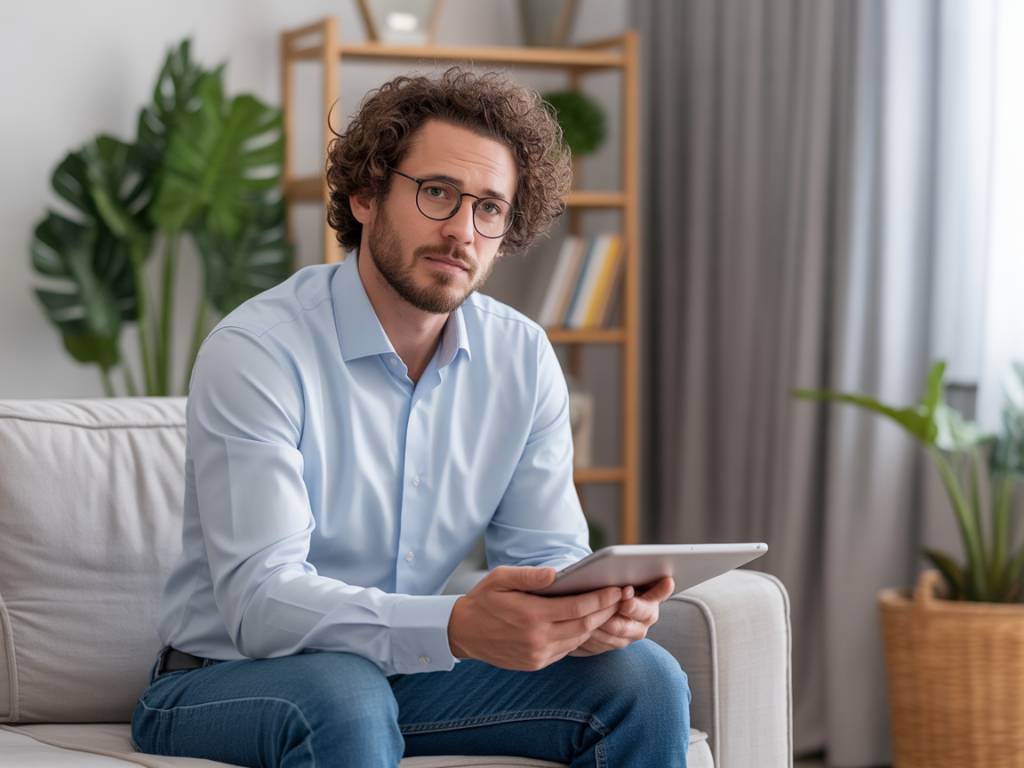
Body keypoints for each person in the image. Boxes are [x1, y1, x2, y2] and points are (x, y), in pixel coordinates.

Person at [131, 67, 690, 768]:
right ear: (365, 194)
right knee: (344, 694)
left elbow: (545, 554)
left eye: (489, 208)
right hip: (219, 679)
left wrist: (585, 615)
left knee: (643, 680)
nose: (462, 230)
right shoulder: (258, 352)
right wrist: (454, 625)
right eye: (437, 194)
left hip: (405, 678)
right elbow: (261, 603)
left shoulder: (520, 357)